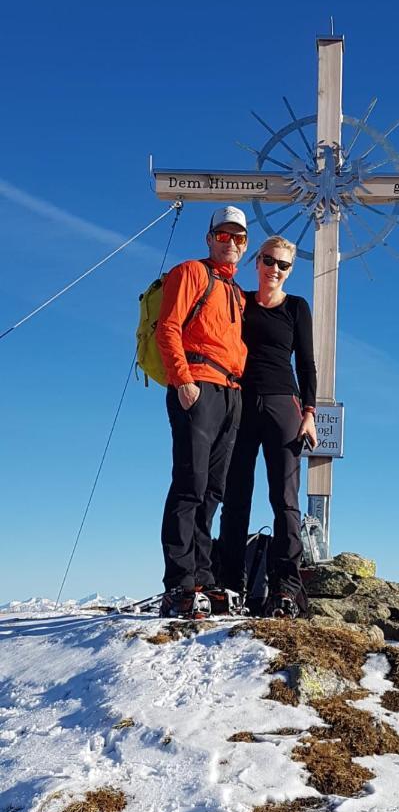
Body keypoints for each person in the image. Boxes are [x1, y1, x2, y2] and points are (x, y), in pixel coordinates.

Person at [215, 235, 318, 618]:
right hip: (240, 403)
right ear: (257, 261)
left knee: (285, 500)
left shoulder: (296, 307)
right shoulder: (238, 301)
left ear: (290, 271)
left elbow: (307, 364)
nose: (275, 269)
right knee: (236, 495)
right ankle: (229, 584)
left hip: (283, 406)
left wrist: (309, 413)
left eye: (284, 265)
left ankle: (285, 588)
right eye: (270, 261)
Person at [155, 206, 249, 619]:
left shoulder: (236, 292)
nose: (231, 243)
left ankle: (203, 578)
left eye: (239, 238)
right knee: (190, 484)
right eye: (224, 236)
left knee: (213, 489)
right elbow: (168, 326)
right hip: (196, 384)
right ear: (210, 238)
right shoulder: (190, 272)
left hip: (230, 392)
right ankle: (178, 582)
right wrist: (183, 380)